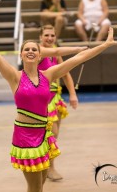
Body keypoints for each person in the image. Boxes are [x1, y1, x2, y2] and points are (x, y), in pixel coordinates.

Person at [0, 8, 117, 192]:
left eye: (34, 49)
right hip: (25, 137)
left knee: (41, 182)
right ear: (21, 55)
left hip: (44, 134)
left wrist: (104, 45)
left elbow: (79, 58)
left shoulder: (48, 75)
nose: (30, 51)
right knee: (35, 188)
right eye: (26, 49)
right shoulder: (14, 76)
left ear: (40, 54)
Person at [38, 25, 78, 181]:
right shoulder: (38, 51)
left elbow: (66, 74)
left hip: (55, 98)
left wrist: (73, 94)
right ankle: (49, 168)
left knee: (54, 136)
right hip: (42, 99)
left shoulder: (55, 54)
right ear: (40, 36)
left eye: (52, 35)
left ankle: (47, 166)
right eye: (46, 35)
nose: (49, 38)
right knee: (51, 134)